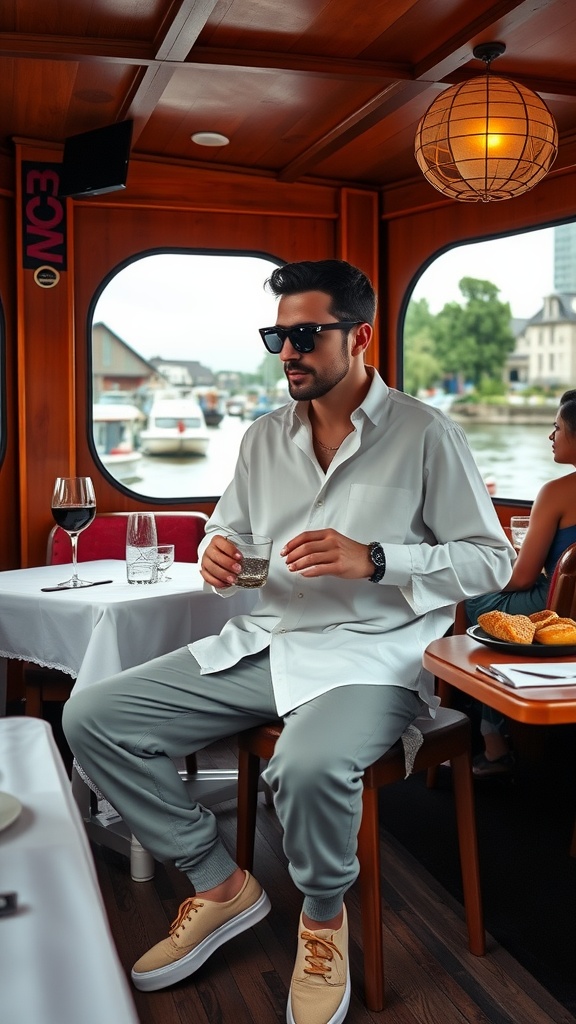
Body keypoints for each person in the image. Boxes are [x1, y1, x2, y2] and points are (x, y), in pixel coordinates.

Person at [63, 259, 513, 1024]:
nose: (287, 352)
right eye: (277, 335)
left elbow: (491, 560)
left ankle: (324, 921)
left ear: (360, 335)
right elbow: (228, 524)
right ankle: (219, 882)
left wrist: (374, 558)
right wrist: (216, 548)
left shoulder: (427, 434)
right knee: (90, 716)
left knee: (304, 766)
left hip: (372, 656)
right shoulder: (262, 437)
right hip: (267, 640)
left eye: (304, 334)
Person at [466, 388, 576, 778]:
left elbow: (523, 577)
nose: (551, 436)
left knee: (476, 606)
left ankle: (492, 740)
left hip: (557, 615)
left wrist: (479, 579)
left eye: (557, 427)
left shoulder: (557, 492)